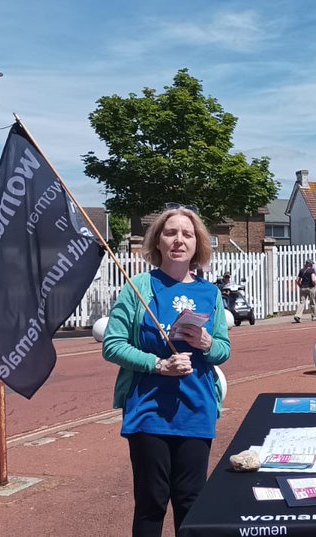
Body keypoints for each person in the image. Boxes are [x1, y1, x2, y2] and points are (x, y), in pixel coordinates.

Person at [101, 206, 232, 536]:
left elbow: (223, 351)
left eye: (187, 234)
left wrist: (205, 343)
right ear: (157, 242)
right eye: (170, 233)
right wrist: (158, 365)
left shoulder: (210, 293)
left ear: (197, 244)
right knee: (151, 502)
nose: (178, 240)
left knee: (191, 503)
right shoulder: (138, 288)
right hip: (149, 412)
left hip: (196, 410)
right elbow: (112, 345)